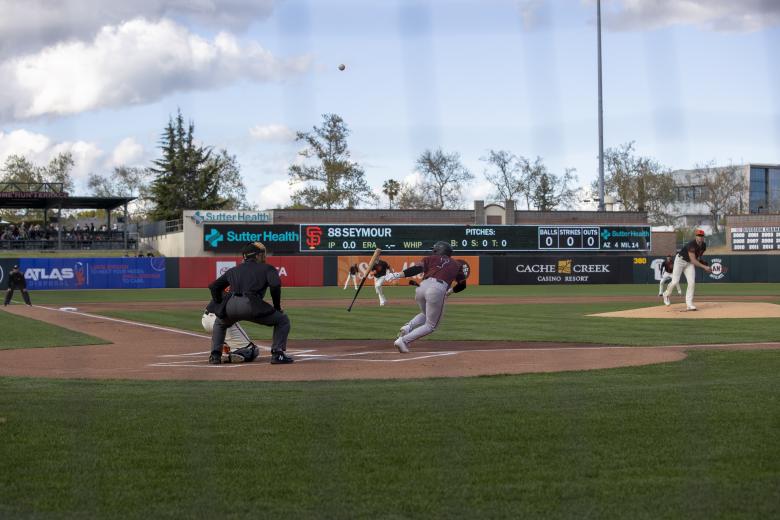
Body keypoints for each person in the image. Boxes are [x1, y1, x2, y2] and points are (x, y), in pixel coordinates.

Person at [207, 242, 293, 365]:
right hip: (250, 304)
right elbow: (275, 285)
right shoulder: (267, 268)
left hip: (231, 304)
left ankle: (215, 356)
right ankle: (277, 354)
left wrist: (219, 304)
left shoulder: (233, 270)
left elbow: (214, 287)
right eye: (262, 254)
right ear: (257, 256)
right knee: (282, 320)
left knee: (220, 323)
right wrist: (277, 307)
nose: (264, 256)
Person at [383, 241, 467, 353]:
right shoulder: (457, 264)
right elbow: (462, 285)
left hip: (421, 287)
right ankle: (403, 341)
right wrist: (449, 292)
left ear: (438, 250)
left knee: (427, 313)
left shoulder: (430, 258)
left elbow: (417, 269)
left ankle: (408, 327)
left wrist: (396, 275)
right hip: (438, 288)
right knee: (431, 325)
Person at [663, 229, 711, 311]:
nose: (700, 237)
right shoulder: (691, 245)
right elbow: (693, 260)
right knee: (675, 281)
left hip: (689, 264)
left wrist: (704, 264)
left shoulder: (703, 245)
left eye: (701, 236)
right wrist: (704, 267)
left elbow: (697, 257)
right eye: (698, 235)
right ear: (696, 236)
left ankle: (689, 304)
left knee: (691, 282)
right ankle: (666, 294)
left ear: (703, 237)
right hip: (680, 261)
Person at [201, 296, 260, 363]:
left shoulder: (226, 286)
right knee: (251, 351)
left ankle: (225, 349)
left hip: (206, 318)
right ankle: (226, 356)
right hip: (221, 319)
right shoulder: (244, 287)